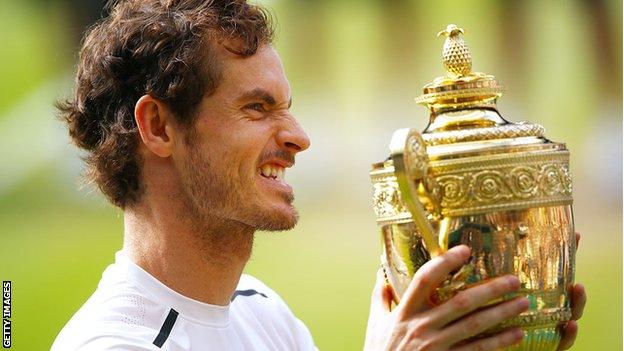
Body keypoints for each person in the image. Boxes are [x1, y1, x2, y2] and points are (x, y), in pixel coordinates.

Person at [52, 1, 586, 350]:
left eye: (288, 106)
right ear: (159, 127)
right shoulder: (113, 342)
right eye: (258, 108)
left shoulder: (265, 316)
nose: (299, 137)